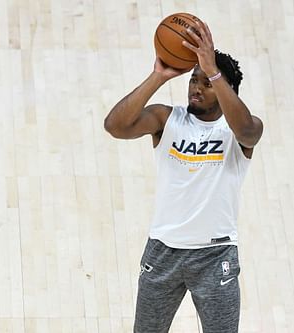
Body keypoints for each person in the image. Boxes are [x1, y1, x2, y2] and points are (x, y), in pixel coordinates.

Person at [104, 20, 263, 333]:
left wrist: (214, 71)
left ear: (224, 88)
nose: (196, 87)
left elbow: (248, 131)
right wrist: (158, 76)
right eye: (194, 80)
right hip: (163, 250)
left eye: (206, 82)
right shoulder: (168, 119)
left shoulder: (239, 130)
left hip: (215, 255)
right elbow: (115, 126)